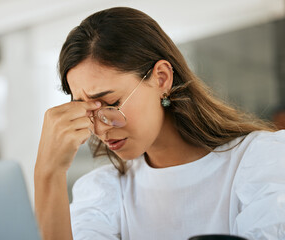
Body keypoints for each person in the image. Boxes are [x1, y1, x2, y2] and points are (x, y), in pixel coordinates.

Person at [34, 7, 285, 240]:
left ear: (162, 78)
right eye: (86, 110)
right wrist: (48, 173)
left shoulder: (260, 160)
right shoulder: (105, 191)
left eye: (111, 102)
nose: (100, 129)